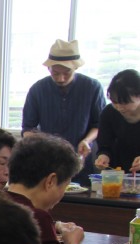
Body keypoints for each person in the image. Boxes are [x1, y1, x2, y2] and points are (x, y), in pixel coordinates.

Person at [22, 39, 105, 185]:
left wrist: (87, 140)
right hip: (47, 161)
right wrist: (40, 144)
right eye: (55, 73)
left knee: (81, 202)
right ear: (49, 69)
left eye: (67, 72)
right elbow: (28, 128)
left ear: (76, 68)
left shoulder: (92, 87)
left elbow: (99, 124)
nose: (61, 78)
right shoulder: (37, 89)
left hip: (80, 159)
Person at [95, 69, 140, 173]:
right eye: (115, 102)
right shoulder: (109, 112)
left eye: (125, 102)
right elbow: (105, 145)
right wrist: (103, 156)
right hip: (118, 174)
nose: (119, 108)